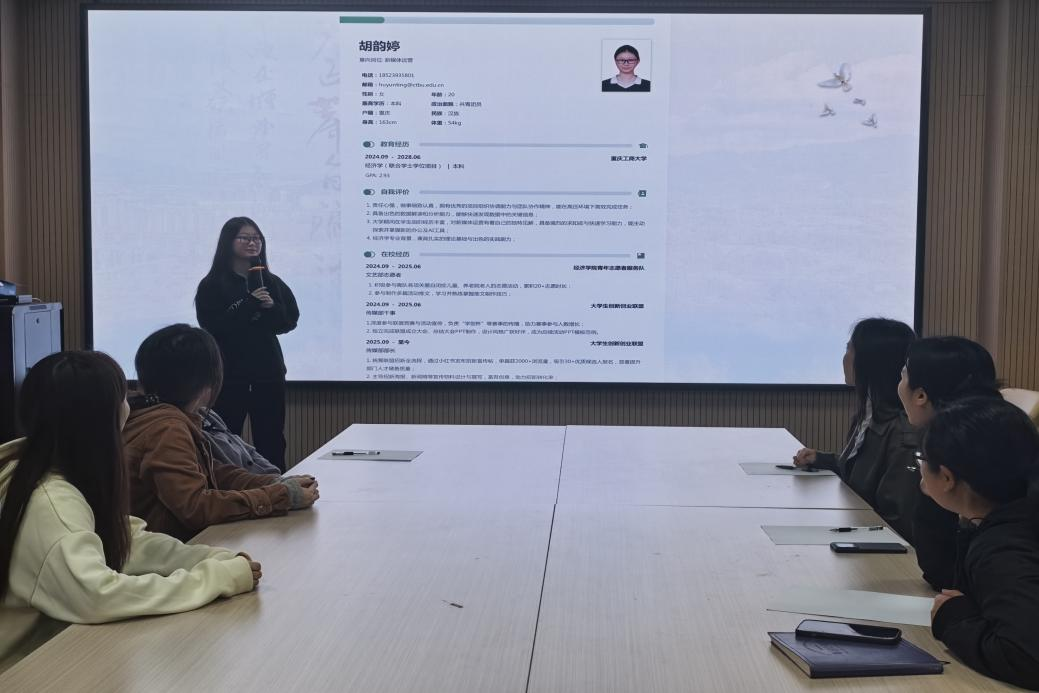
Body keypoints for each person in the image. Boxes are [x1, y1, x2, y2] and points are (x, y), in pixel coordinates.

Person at [0, 352, 260, 673]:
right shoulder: (50, 503)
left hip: (50, 657)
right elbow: (98, 596)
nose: (131, 404)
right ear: (101, 421)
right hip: (22, 672)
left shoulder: (47, 468)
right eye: (123, 397)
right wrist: (214, 578)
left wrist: (208, 559)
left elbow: (127, 541)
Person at [123, 325, 318, 541]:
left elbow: (215, 472)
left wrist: (275, 484)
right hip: (167, 554)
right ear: (207, 387)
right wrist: (280, 496)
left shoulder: (152, 415)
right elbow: (195, 507)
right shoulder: (167, 429)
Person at [922, 397, 1039, 690]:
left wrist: (954, 621)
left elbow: (1027, 656)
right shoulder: (1010, 516)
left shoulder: (1003, 547)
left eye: (922, 459)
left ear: (946, 477)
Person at [793, 318, 918, 540]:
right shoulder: (869, 414)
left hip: (877, 545)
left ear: (870, 362)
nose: (844, 358)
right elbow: (862, 474)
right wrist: (823, 459)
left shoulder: (902, 433)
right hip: (856, 529)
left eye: (849, 350)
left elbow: (897, 519)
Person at [898, 337, 1004, 589]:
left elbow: (943, 572)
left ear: (921, 395)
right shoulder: (992, 438)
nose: (899, 385)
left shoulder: (966, 463)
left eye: (902, 376)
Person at [195, 216, 298, 472]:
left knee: (272, 438)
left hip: (268, 373)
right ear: (228, 242)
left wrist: (271, 308)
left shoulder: (271, 282)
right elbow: (212, 326)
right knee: (226, 438)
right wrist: (249, 304)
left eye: (257, 238)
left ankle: (278, 486)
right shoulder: (212, 284)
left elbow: (289, 321)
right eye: (245, 238)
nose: (252, 243)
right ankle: (227, 488)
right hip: (230, 375)